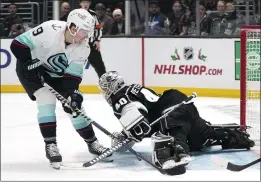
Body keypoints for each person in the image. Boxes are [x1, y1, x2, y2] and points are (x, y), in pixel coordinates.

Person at [10, 9, 110, 169]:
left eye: (88, 33)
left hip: (56, 74)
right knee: (46, 99)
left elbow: (72, 78)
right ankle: (51, 145)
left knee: (75, 108)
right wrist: (28, 61)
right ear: (72, 27)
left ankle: (92, 143)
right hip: (30, 71)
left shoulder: (83, 47)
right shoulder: (50, 29)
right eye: (83, 32)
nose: (85, 37)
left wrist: (73, 95)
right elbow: (16, 44)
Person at [98, 71, 255, 174]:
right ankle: (234, 136)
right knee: (201, 138)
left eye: (105, 89)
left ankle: (177, 152)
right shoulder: (131, 89)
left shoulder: (118, 98)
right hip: (181, 105)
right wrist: (126, 136)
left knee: (174, 133)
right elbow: (144, 123)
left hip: (171, 111)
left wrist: (128, 135)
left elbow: (139, 123)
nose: (105, 93)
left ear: (111, 87)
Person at [80, 0, 107, 78]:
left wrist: (97, 40)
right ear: (80, 3)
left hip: (91, 44)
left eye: (87, 2)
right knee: (72, 66)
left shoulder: (93, 14)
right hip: (78, 45)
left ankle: (106, 85)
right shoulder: (75, 14)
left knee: (100, 67)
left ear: (90, 3)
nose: (85, 4)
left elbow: (99, 27)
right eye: (84, 2)